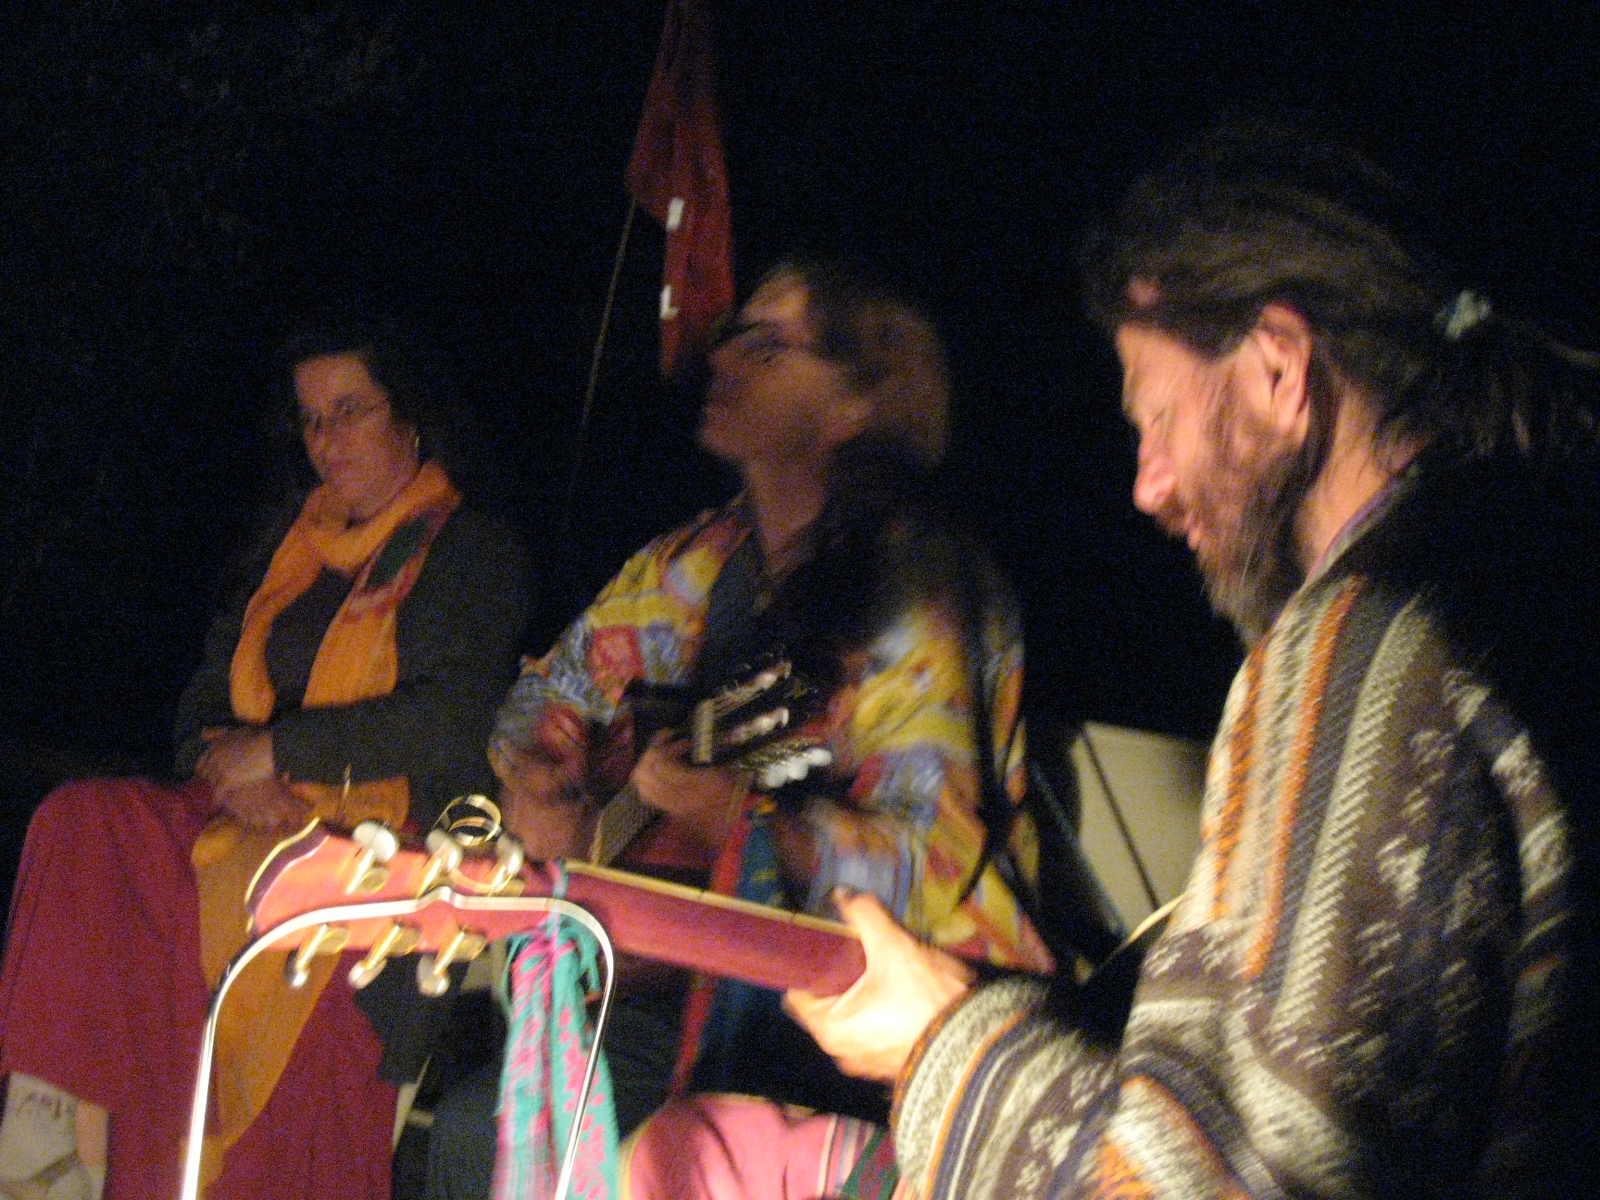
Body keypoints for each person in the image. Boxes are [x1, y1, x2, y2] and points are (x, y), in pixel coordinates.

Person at [624, 124, 1600, 1199]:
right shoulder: (1520, 573)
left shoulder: (1371, 644)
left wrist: (941, 1039)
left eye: (1157, 418)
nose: (1147, 485)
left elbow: (1226, 1180)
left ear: (1278, 371)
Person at [424, 259, 1055, 1198]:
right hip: (691, 983)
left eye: (769, 347)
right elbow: (545, 693)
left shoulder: (918, 588)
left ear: (852, 406)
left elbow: (930, 863)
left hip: (879, 1012)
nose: (723, 360)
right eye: (733, 338)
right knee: (479, 1132)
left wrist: (739, 820)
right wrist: (547, 777)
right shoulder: (692, 564)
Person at [0, 318, 532, 1200]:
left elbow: (453, 718)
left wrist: (281, 751)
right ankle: (53, 1142)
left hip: (382, 832)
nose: (326, 438)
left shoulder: (470, 549)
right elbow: (203, 700)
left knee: (250, 903)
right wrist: (231, 772)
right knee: (80, 822)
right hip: (241, 808)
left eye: (351, 411)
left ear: (412, 419)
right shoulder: (291, 547)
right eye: (311, 418)